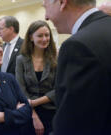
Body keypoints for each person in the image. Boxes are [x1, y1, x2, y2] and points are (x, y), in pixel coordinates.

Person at [43, 0, 111, 135]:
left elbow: (72, 126)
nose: (46, 17)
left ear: (62, 3)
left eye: (46, 7)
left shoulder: (77, 46)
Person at [16, 20, 57, 135]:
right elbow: (21, 89)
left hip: (52, 111)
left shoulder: (56, 58)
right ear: (31, 37)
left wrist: (34, 102)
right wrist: (33, 114)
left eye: (47, 35)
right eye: (40, 35)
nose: (44, 39)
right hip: (28, 113)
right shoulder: (21, 60)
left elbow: (58, 89)